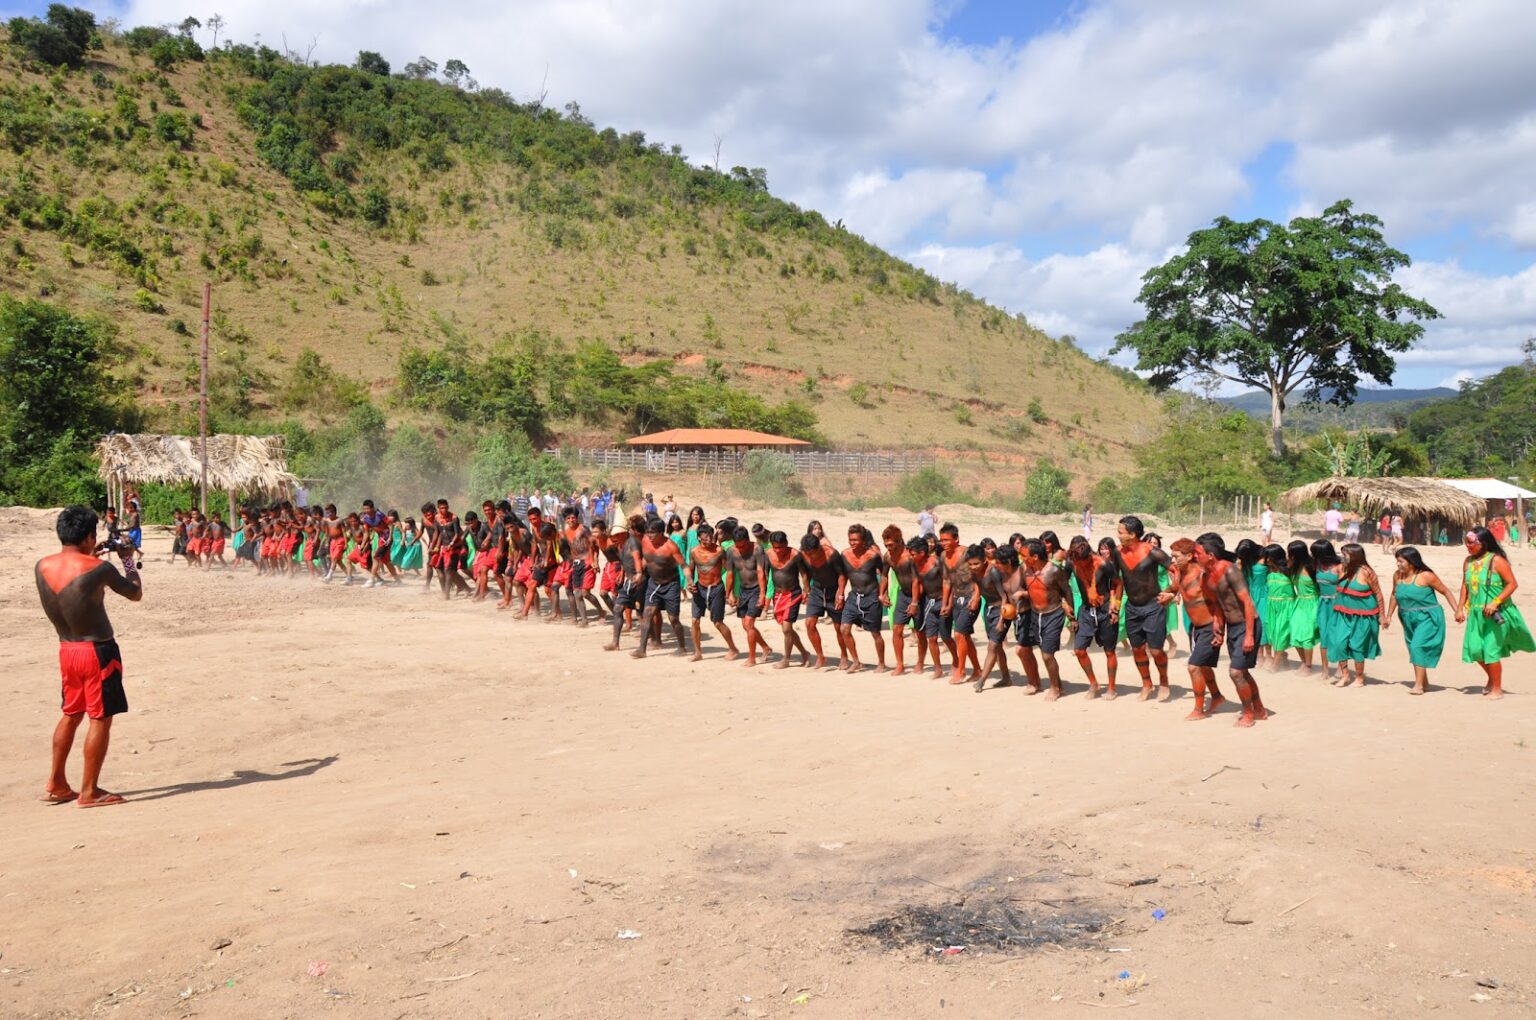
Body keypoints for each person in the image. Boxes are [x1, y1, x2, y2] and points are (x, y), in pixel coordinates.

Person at [36, 505, 142, 808]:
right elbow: (134, 592)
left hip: (67, 649)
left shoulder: (42, 565)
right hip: (98, 651)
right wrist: (128, 561)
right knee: (100, 718)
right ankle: (89, 791)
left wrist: (88, 554)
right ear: (88, 536)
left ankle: (56, 783)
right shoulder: (101, 569)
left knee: (71, 714)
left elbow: (73, 585)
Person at [1192, 533, 1267, 727]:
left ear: (1210, 555)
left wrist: (1249, 635)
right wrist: (1219, 627)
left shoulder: (1230, 571)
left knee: (1236, 672)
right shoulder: (1206, 577)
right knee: (1242, 672)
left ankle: (1248, 713)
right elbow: (1218, 605)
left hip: (1247, 624)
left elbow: (1247, 603)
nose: (1195, 556)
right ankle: (1259, 708)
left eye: (1197, 553)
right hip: (1233, 627)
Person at [1459, 526, 1535, 699]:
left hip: (1496, 613)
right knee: (1475, 650)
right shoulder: (1468, 562)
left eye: (1470, 542)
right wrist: (1459, 608)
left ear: (1483, 543)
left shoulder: (1497, 561)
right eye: (1466, 542)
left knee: (1491, 651)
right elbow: (1465, 585)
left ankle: (1497, 689)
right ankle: (1492, 678)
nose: (1467, 546)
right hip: (1476, 614)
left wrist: (1495, 602)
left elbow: (1512, 584)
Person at [1382, 546, 1458, 695]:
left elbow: (1446, 591)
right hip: (1407, 617)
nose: (1398, 564)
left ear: (1411, 562)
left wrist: (1457, 610)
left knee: (1417, 646)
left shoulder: (1426, 576)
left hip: (1428, 617)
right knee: (1413, 648)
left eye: (1401, 561)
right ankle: (1424, 681)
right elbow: (1393, 595)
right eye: (1397, 561)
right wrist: (1389, 615)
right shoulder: (1397, 576)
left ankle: (1418, 686)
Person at [1116, 516, 1175, 701]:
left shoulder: (1152, 552)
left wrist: (1172, 591)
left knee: (1156, 650)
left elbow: (1176, 569)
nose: (1117, 535)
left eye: (1120, 532)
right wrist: (1115, 604)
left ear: (1133, 534)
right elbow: (1117, 580)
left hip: (1153, 607)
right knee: (1138, 650)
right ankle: (1147, 684)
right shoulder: (1118, 553)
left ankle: (1164, 682)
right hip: (1132, 608)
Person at [1168, 538, 1224, 719]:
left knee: (1194, 667)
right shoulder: (1180, 572)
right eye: (1172, 557)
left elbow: (1220, 602)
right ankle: (1216, 696)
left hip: (1210, 627)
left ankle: (1198, 710)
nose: (1173, 560)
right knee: (1204, 665)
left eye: (1176, 557)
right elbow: (1174, 588)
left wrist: (1219, 629)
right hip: (1195, 628)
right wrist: (1167, 595)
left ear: (1190, 556)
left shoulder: (1202, 575)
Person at [1015, 539, 1073, 699]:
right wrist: (1020, 594)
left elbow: (1066, 591)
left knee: (1047, 654)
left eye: (1024, 555)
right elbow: (1022, 587)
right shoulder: (1024, 569)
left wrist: (1072, 615)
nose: (1022, 557)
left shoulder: (1054, 571)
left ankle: (1054, 688)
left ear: (1034, 556)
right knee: (1044, 652)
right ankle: (1059, 685)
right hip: (1035, 615)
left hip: (1053, 614)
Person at [1068, 536, 1121, 700]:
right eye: (1077, 561)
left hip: (1105, 610)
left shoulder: (1103, 564)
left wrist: (1115, 606)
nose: (1080, 565)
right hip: (1085, 611)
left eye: (1083, 561)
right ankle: (1094, 683)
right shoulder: (1072, 563)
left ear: (1089, 556)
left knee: (1109, 651)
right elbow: (1062, 584)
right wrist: (1065, 603)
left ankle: (1111, 687)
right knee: (1079, 650)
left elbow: (1118, 583)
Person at [631, 519, 690, 658]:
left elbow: (684, 565)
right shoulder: (645, 540)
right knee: (647, 614)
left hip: (671, 584)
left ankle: (682, 648)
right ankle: (642, 649)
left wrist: (690, 580)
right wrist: (639, 573)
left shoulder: (670, 546)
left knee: (673, 618)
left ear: (661, 533)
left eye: (653, 533)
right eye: (648, 532)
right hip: (654, 583)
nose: (650, 535)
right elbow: (647, 559)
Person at [836, 524, 889, 672]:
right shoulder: (845, 555)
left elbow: (884, 575)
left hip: (871, 597)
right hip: (854, 597)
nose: (852, 543)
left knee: (875, 633)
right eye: (850, 539)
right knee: (844, 629)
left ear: (863, 540)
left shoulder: (873, 555)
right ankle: (856, 661)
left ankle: (881, 663)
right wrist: (840, 594)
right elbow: (843, 576)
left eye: (855, 540)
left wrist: (883, 593)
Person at [1331, 543, 1383, 688]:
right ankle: (1345, 675)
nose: (1343, 557)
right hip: (1342, 614)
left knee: (1357, 646)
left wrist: (1382, 615)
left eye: (1345, 554)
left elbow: (1378, 593)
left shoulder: (1367, 572)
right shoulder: (1341, 569)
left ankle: (1359, 678)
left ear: (1354, 556)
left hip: (1363, 616)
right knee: (1339, 643)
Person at [685, 524, 738, 661]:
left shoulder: (719, 551)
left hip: (716, 588)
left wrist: (730, 592)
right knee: (694, 621)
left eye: (710, 536)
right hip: (699, 589)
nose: (709, 539)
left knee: (718, 622)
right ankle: (697, 652)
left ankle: (733, 648)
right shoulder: (694, 552)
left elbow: (730, 571)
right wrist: (689, 583)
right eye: (705, 537)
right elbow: (690, 571)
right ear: (699, 538)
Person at [724, 526, 772, 666]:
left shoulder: (757, 549)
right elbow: (730, 574)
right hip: (743, 590)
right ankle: (765, 647)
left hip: (756, 589)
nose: (742, 548)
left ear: (748, 540)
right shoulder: (731, 552)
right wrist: (729, 594)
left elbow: (761, 572)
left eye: (744, 545)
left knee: (749, 623)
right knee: (745, 625)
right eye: (738, 546)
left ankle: (752, 658)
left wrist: (763, 594)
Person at [939, 523, 981, 684]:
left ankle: (961, 671)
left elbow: (977, 575)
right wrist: (946, 603)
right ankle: (977, 670)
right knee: (965, 637)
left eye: (947, 540)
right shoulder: (943, 556)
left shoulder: (966, 553)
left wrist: (977, 596)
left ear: (956, 539)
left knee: (959, 634)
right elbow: (947, 581)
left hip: (970, 597)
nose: (943, 543)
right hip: (956, 599)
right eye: (941, 540)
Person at [764, 531, 811, 668]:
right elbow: (764, 574)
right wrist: (763, 594)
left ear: (786, 544)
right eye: (775, 547)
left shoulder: (795, 555)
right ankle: (804, 653)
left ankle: (786, 659)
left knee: (786, 628)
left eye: (780, 547)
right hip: (778, 596)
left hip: (793, 594)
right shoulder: (768, 554)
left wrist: (806, 590)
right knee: (787, 630)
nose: (778, 550)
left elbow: (804, 574)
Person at [883, 525, 920, 676]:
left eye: (891, 545)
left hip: (918, 595)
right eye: (886, 545)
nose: (888, 548)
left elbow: (916, 580)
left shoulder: (910, 556)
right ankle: (900, 665)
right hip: (903, 595)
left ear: (900, 541)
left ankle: (920, 662)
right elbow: (884, 575)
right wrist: (882, 593)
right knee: (897, 629)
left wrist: (915, 602)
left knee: (920, 631)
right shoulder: (887, 556)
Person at [1311, 540, 1343, 682]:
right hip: (1323, 604)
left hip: (1337, 604)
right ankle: (1325, 669)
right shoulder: (1317, 565)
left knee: (1339, 636)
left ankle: (1341, 668)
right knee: (1324, 636)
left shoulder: (1339, 567)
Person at [1286, 540, 1320, 672]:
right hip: (1299, 602)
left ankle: (1308, 665)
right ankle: (1304, 661)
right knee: (1294, 632)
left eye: (1291, 553)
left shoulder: (1311, 567)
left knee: (1306, 635)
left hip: (1312, 603)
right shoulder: (1294, 566)